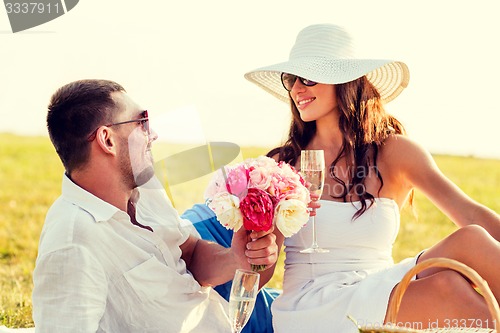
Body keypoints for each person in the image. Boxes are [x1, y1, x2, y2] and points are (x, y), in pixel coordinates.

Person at [244, 23, 500, 332]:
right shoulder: (282, 164)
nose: (297, 88)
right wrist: (260, 247)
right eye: (291, 79)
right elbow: (261, 274)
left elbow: (470, 212)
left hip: (379, 282)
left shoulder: (394, 152)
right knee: (445, 286)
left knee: (471, 239)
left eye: (308, 77)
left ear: (345, 82)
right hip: (314, 304)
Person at [32, 79, 278, 333]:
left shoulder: (143, 188)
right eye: (142, 122)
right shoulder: (73, 242)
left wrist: (235, 259)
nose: (153, 134)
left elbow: (190, 253)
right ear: (107, 140)